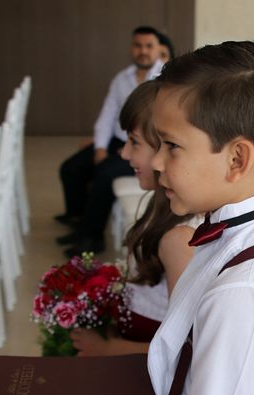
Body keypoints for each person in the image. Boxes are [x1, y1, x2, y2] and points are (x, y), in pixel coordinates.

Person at [0, 41, 254, 395]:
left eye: (171, 146)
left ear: (237, 158)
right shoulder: (230, 238)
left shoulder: (246, 290)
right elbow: (182, 370)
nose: (154, 159)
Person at [70, 81, 197, 395]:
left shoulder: (179, 238)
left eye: (134, 142)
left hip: (144, 384)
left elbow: (182, 351)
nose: (124, 153)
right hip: (129, 363)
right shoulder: (158, 207)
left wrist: (108, 348)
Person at [55, 26, 164, 257]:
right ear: (131, 48)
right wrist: (100, 146)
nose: (143, 51)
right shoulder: (121, 79)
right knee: (71, 168)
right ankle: (78, 220)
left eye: (148, 46)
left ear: (158, 49)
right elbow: (106, 115)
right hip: (117, 140)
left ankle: (92, 237)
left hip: (144, 148)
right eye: (138, 45)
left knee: (103, 174)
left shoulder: (165, 78)